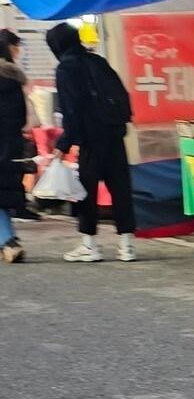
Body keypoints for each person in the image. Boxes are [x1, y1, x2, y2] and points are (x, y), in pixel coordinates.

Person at [44, 22, 137, 263]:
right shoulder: (98, 61)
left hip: (90, 138)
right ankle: (126, 246)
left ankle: (89, 245)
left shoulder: (66, 68)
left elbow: (71, 110)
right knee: (121, 189)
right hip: (114, 133)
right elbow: (121, 94)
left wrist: (63, 144)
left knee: (87, 191)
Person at [0, 29, 29, 264]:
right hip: (11, 144)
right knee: (4, 193)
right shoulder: (14, 80)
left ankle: (9, 241)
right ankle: (8, 241)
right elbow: (23, 117)